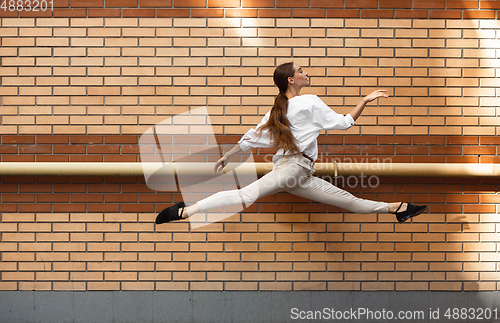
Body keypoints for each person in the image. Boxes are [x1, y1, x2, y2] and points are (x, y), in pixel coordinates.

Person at [155, 62, 427, 225]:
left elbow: (252, 137)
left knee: (350, 202)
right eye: (301, 70)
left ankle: (398, 209)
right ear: (291, 79)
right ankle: (185, 210)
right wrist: (364, 101)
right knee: (244, 196)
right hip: (292, 169)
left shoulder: (278, 110)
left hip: (299, 173)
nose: (305, 72)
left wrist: (228, 155)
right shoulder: (309, 101)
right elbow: (344, 123)